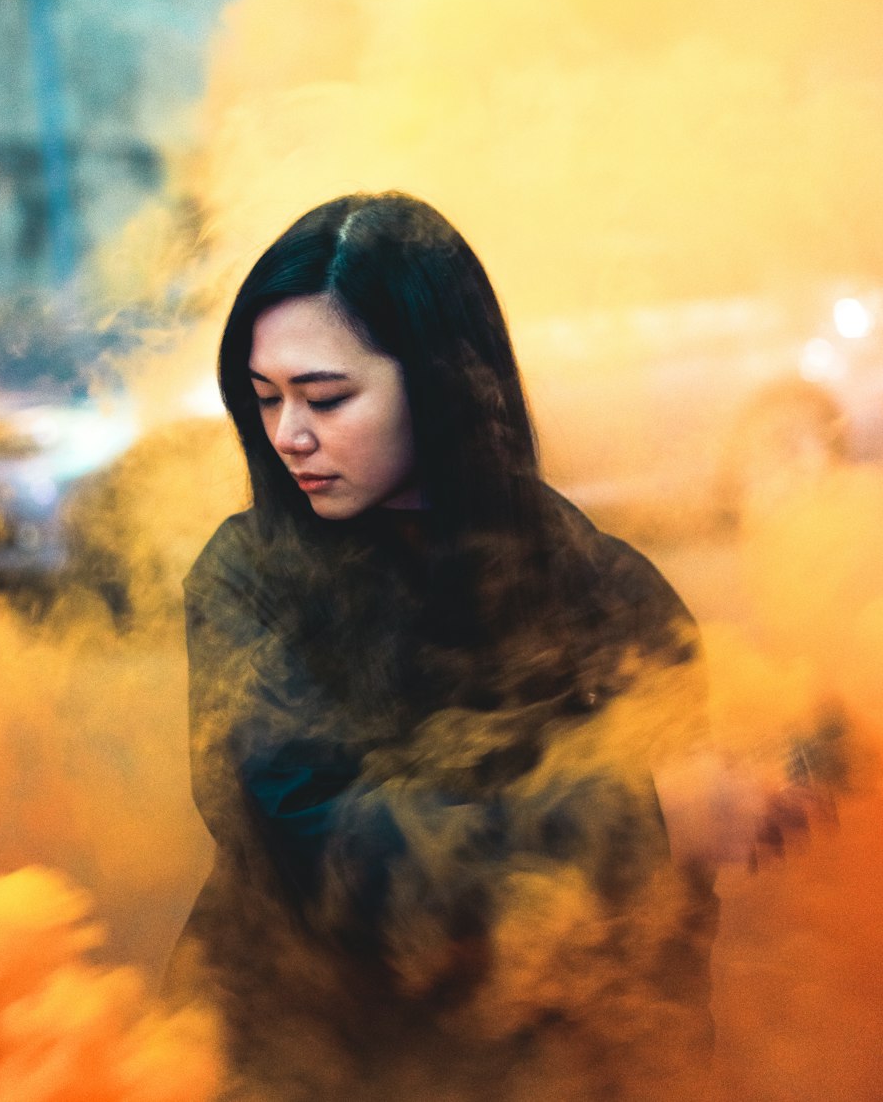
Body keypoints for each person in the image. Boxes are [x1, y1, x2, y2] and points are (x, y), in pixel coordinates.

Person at [165, 193, 768, 1101]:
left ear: (444, 381)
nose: (288, 434)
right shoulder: (248, 580)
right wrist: (636, 818)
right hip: (293, 1065)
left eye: (325, 397)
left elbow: (661, 942)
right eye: (265, 399)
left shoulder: (611, 592)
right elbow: (320, 843)